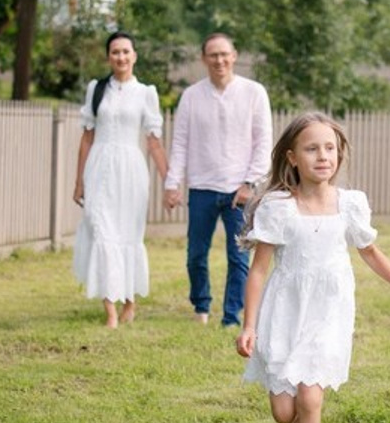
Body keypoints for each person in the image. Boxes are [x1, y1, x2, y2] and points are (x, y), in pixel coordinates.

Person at [236, 113, 390, 423]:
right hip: (286, 312)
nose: (323, 156)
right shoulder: (278, 207)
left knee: (311, 397)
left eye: (330, 148)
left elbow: (370, 252)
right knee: (284, 412)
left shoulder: (350, 204)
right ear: (292, 157)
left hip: (328, 312)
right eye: (311, 149)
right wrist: (249, 325)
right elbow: (258, 271)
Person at [163, 33, 273, 327]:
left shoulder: (254, 92)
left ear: (234, 55)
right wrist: (172, 183)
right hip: (202, 187)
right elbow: (181, 143)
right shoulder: (192, 96)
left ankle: (231, 317)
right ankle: (201, 307)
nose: (219, 60)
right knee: (195, 254)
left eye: (224, 54)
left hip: (240, 190)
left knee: (238, 257)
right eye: (213, 55)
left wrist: (250, 183)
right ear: (203, 59)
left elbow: (263, 142)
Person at [72, 31, 168, 328]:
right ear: (108, 57)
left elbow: (153, 142)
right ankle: (110, 310)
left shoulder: (146, 93)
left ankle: (129, 301)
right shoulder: (96, 89)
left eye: (126, 51)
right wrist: (79, 180)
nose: (121, 57)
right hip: (99, 167)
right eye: (115, 52)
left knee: (128, 234)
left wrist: (170, 180)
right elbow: (87, 138)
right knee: (101, 230)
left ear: (134, 56)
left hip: (131, 170)